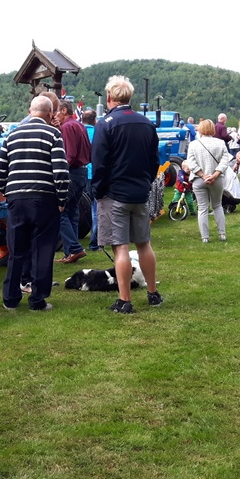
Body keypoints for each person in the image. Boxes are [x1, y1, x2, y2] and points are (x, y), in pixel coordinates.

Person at [91, 75, 164, 314]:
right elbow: (155, 161)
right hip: (140, 192)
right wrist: (146, 182)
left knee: (120, 247)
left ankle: (125, 300)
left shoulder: (106, 124)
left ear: (110, 97)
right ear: (129, 97)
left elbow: (99, 163)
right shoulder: (146, 123)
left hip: (115, 194)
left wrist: (98, 190)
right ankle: (153, 293)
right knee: (144, 244)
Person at [0, 95, 68, 311]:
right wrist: (61, 199)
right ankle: (37, 300)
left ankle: (10, 299)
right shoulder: (53, 134)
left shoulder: (12, 134)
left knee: (16, 250)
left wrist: (5, 191)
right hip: (45, 199)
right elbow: (61, 172)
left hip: (16, 198)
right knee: (42, 250)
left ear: (30, 110)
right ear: (50, 113)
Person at [54, 99, 91, 264]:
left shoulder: (67, 127)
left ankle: (75, 249)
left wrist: (59, 172)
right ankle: (71, 252)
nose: (55, 116)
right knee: (72, 212)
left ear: (63, 111)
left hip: (72, 173)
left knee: (59, 211)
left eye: (56, 112)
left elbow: (69, 154)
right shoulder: (79, 124)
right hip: (82, 171)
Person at [183, 119, 230, 242]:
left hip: (199, 179)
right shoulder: (220, 143)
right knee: (217, 205)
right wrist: (215, 174)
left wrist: (203, 175)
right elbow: (225, 161)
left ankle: (205, 237)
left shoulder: (194, 144)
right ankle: (222, 234)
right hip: (217, 179)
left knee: (202, 208)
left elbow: (191, 163)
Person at [81, 109, 100, 251]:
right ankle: (95, 241)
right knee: (95, 207)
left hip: (79, 172)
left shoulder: (78, 132)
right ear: (95, 120)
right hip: (94, 174)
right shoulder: (99, 134)